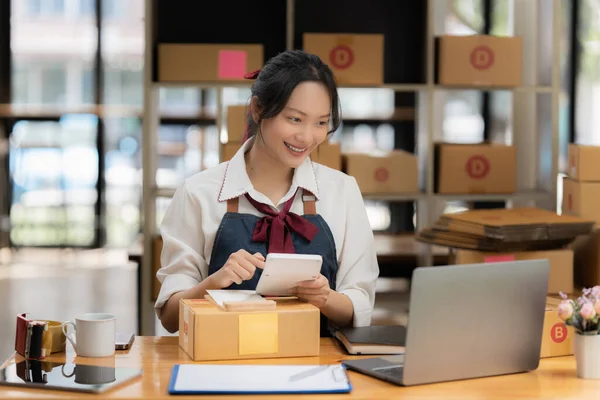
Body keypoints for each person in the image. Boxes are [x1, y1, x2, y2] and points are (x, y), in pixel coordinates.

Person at [155, 49, 379, 335]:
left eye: (321, 122)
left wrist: (325, 297)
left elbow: (360, 307)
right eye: (295, 119)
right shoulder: (198, 193)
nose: (307, 136)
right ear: (258, 109)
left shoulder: (342, 192)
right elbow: (171, 317)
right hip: (224, 363)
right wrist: (215, 282)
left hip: (318, 367)